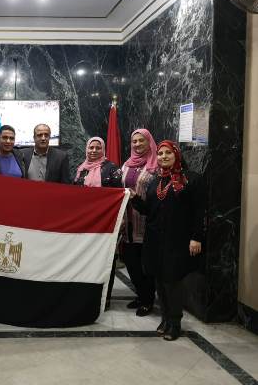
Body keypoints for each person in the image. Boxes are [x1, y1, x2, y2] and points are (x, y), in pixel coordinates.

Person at [130, 140, 205, 341]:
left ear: (176, 155)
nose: (163, 157)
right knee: (159, 281)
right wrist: (135, 199)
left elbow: (199, 211)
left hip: (177, 240)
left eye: (168, 153)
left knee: (172, 281)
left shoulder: (191, 179)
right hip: (155, 240)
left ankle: (175, 323)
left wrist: (196, 237)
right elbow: (149, 211)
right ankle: (165, 319)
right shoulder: (156, 181)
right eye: (160, 153)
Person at [73, 136, 122, 309]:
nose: (93, 151)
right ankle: (87, 295)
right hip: (85, 223)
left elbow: (119, 195)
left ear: (103, 150)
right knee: (86, 258)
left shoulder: (112, 169)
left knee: (105, 258)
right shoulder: (81, 169)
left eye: (98, 148)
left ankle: (104, 298)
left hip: (106, 223)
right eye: (91, 147)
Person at [121, 129, 158, 317]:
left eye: (141, 141)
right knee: (132, 264)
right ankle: (140, 294)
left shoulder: (156, 166)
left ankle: (147, 300)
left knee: (145, 266)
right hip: (127, 223)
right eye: (134, 141)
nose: (137, 144)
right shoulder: (127, 164)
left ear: (149, 142)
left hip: (146, 223)